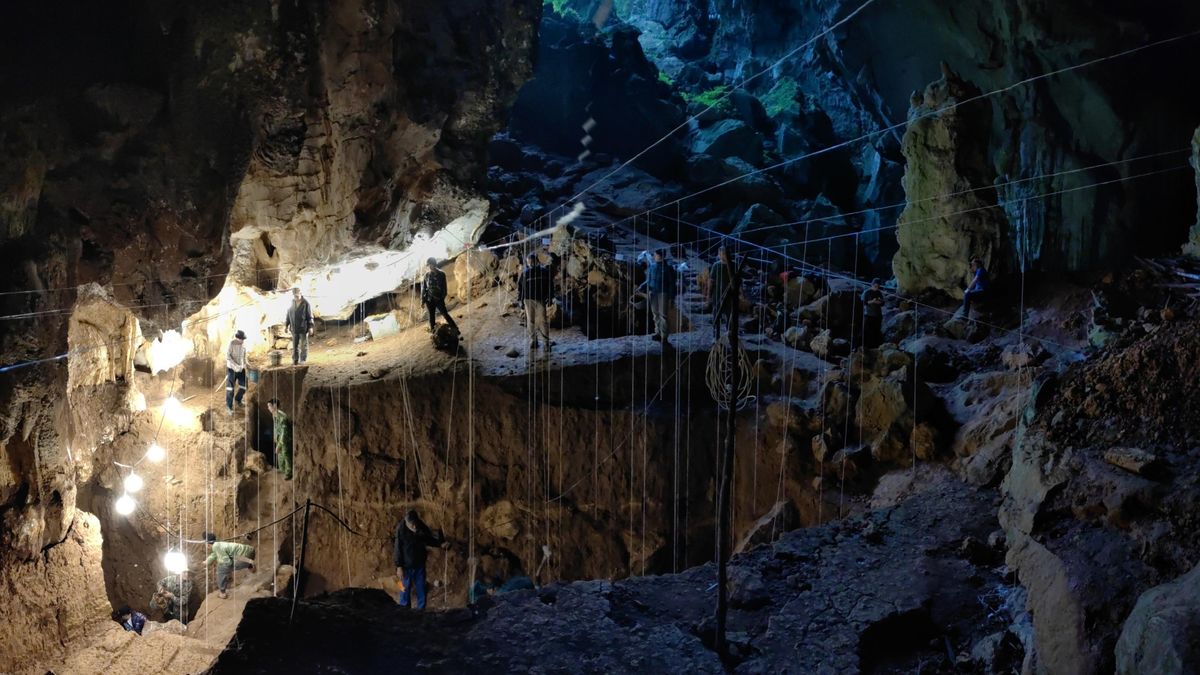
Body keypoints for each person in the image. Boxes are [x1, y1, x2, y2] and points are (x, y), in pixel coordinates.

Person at [393, 509, 446, 610]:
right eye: (411, 525)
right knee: (403, 589)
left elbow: (428, 538)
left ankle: (421, 611)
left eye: (415, 523)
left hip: (419, 565)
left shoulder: (420, 525)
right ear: (406, 522)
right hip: (405, 567)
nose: (414, 527)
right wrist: (399, 566)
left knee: (421, 588)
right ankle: (404, 610)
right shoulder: (401, 529)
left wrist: (440, 544)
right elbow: (397, 549)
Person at [638, 250, 678, 344]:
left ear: (660, 256)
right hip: (653, 293)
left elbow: (672, 284)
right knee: (655, 314)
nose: (654, 256)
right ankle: (658, 333)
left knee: (663, 315)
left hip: (663, 293)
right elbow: (648, 280)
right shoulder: (652, 267)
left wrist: (672, 298)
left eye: (655, 255)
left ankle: (664, 336)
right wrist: (641, 286)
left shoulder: (668, 268)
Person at [517, 252, 553, 351]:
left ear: (537, 261)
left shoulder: (544, 271)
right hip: (528, 300)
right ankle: (534, 340)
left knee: (543, 321)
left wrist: (550, 297)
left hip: (541, 299)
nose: (531, 264)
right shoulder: (525, 274)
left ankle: (546, 343)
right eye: (529, 262)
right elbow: (520, 288)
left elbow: (550, 285)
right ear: (527, 263)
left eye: (532, 261)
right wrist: (520, 300)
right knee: (530, 321)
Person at [203, 532, 256, 599]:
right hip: (249, 551)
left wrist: (223, 568)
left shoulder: (216, 546)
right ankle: (249, 565)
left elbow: (227, 562)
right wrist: (207, 561)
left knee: (221, 569)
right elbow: (216, 554)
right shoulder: (218, 543)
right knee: (224, 565)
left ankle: (222, 593)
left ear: (207, 544)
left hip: (246, 556)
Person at [421, 257, 458, 334]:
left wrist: (441, 298)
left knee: (445, 314)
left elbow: (444, 288)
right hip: (429, 299)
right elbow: (424, 288)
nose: (429, 267)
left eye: (430, 265)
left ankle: (456, 330)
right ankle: (434, 333)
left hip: (438, 299)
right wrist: (423, 300)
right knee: (431, 317)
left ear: (434, 264)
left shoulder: (441, 274)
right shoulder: (427, 275)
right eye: (428, 265)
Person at [709, 245, 734, 338]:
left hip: (730, 295)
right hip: (717, 294)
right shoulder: (716, 266)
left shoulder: (733, 265)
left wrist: (741, 294)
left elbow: (738, 280)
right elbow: (711, 281)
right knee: (716, 315)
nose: (722, 255)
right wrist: (709, 295)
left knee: (730, 315)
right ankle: (716, 335)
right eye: (721, 253)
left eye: (724, 253)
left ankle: (730, 335)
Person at [285, 287, 314, 365]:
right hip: (294, 328)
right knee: (295, 345)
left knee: (303, 345)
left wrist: (310, 326)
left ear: (300, 293)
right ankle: (295, 360)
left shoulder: (306, 303)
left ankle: (303, 359)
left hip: (303, 328)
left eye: (297, 295)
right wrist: (286, 325)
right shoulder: (292, 302)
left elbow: (309, 316)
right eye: (294, 296)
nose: (296, 297)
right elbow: (288, 314)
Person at [267, 398, 292, 480]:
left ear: (274, 406)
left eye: (270, 406)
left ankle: (289, 473)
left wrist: (280, 444)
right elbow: (276, 428)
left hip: (285, 440)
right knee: (280, 456)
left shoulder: (282, 417)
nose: (268, 408)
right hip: (279, 439)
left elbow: (284, 432)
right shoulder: (274, 414)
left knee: (286, 455)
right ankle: (283, 470)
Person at [225, 330, 247, 415]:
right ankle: (229, 407)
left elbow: (244, 357)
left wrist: (245, 365)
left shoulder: (243, 345)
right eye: (242, 339)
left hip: (241, 369)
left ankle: (238, 399)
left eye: (243, 339)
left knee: (244, 386)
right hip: (232, 369)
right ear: (238, 338)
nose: (242, 341)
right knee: (230, 389)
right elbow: (228, 357)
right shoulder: (231, 344)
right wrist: (235, 366)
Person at [861, 278, 885, 349]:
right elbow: (864, 302)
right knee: (867, 331)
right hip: (868, 315)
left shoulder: (879, 293)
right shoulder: (867, 292)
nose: (877, 288)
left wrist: (879, 302)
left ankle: (875, 347)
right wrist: (872, 301)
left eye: (878, 286)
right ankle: (865, 346)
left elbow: (883, 303)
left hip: (877, 315)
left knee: (876, 331)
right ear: (872, 285)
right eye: (875, 286)